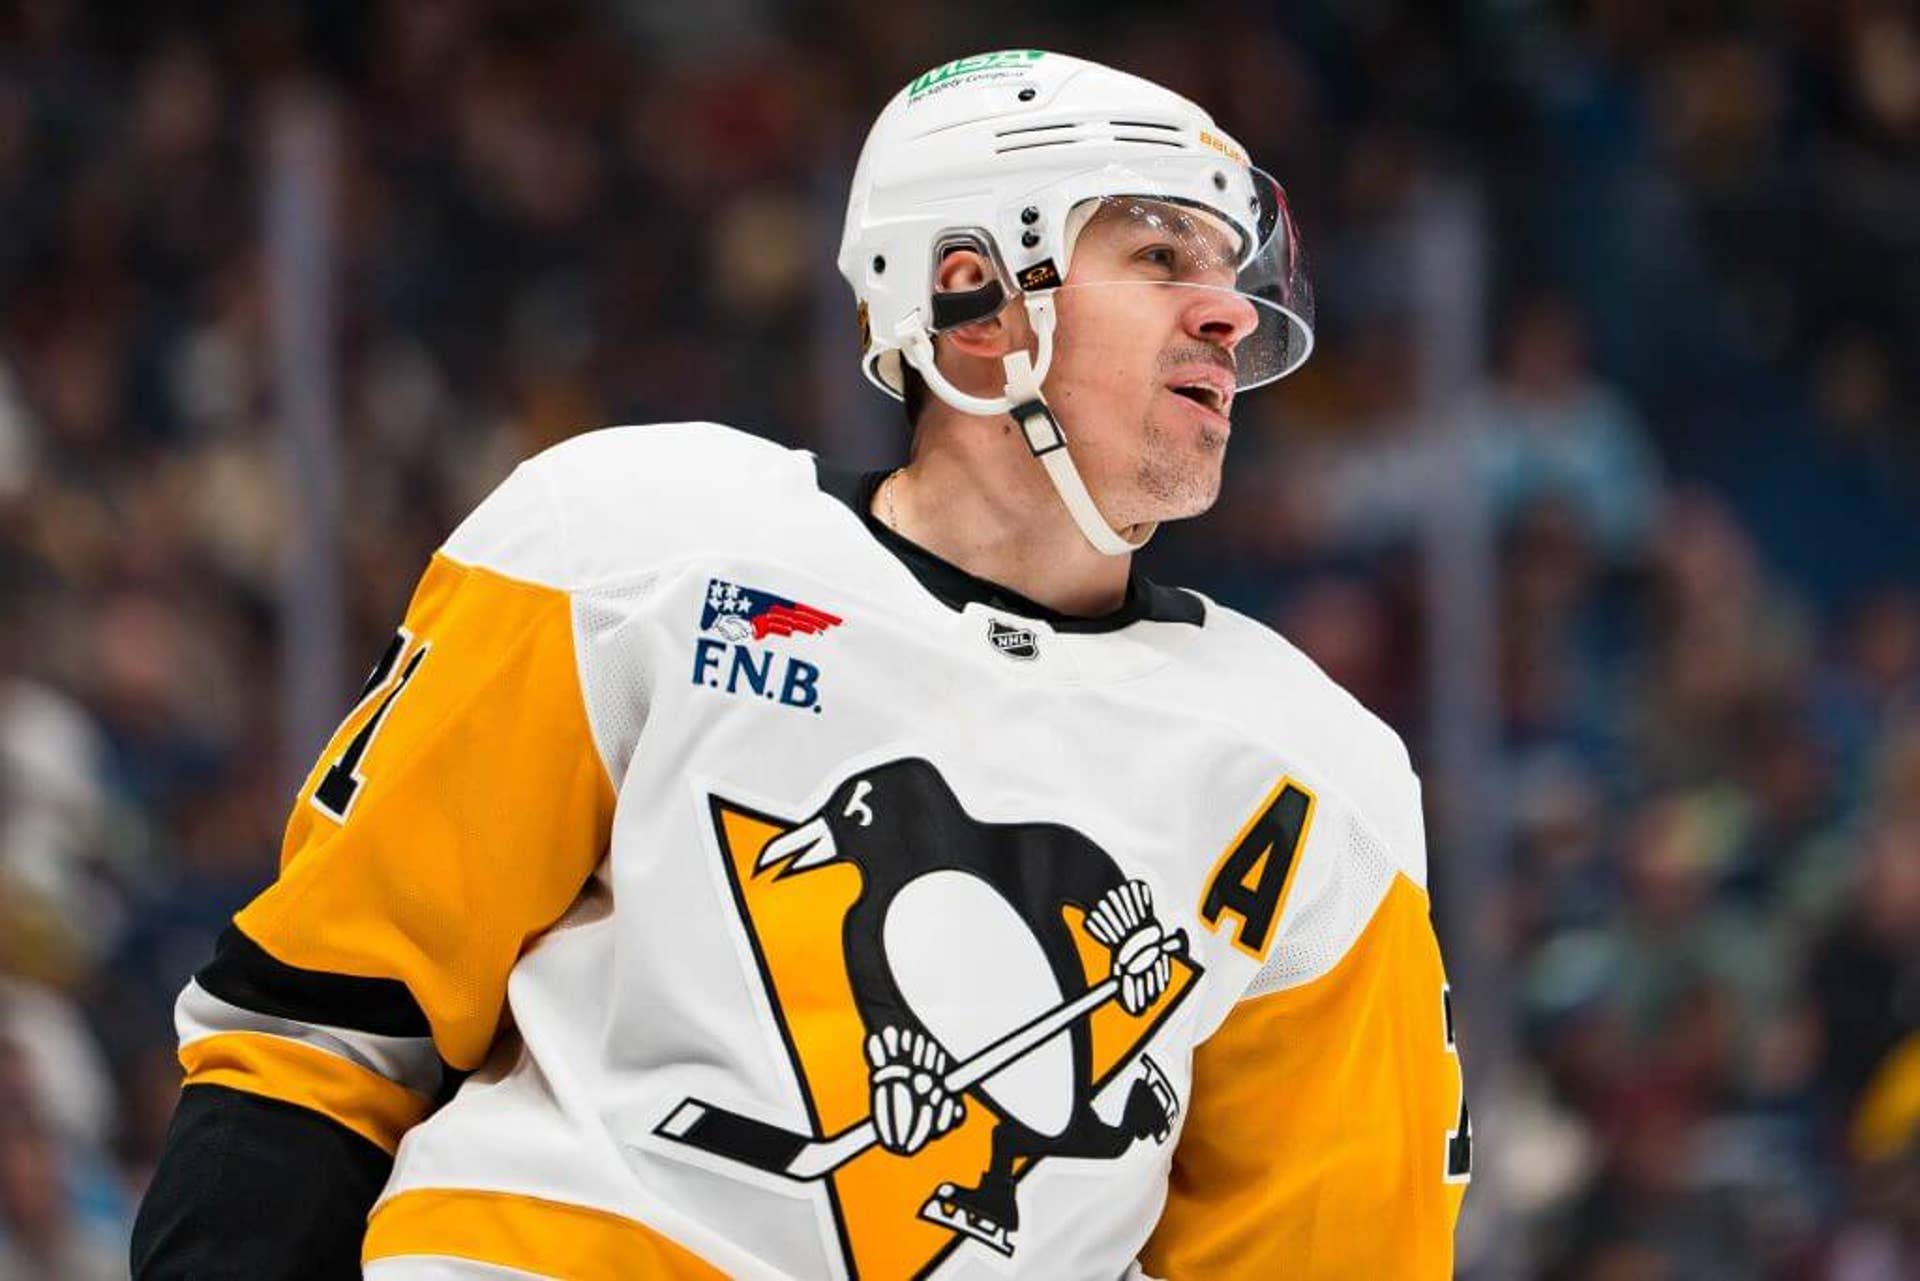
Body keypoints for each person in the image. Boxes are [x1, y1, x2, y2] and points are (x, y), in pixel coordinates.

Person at [131, 50, 1468, 1279]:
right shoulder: (629, 545)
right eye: (1160, 250)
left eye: (1233, 269)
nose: (1228, 313)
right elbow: (328, 1024)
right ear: (973, 301)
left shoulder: (1318, 775)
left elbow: (1330, 1250)